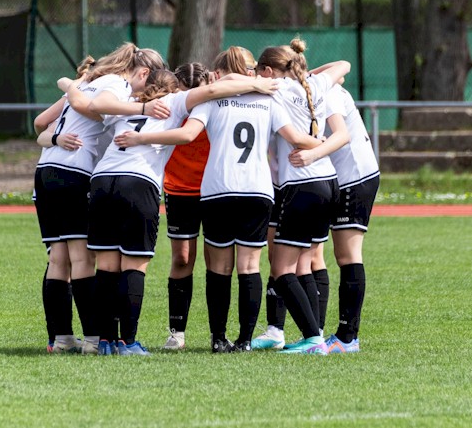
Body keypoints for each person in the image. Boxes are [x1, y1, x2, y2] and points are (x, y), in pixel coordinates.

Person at [64, 65, 278, 356]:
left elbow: (89, 104)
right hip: (138, 182)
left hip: (102, 181)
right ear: (173, 87)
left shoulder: (125, 105)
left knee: (107, 265)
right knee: (133, 265)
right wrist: (259, 84)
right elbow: (214, 89)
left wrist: (70, 82)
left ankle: (105, 341)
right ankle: (128, 343)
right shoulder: (175, 102)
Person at [116, 54, 321, 353]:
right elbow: (296, 138)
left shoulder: (211, 101)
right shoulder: (269, 100)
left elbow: (187, 134)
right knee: (249, 266)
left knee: (220, 268)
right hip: (257, 189)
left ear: (221, 73)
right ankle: (245, 341)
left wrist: (141, 138)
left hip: (218, 189)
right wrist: (325, 145)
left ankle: (218, 338)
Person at [31, 43, 168, 354]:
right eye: (150, 82)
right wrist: (143, 109)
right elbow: (89, 107)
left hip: (46, 169)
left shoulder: (90, 82)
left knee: (58, 258)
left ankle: (61, 338)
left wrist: (68, 88)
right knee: (81, 258)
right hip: (74, 171)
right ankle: (94, 339)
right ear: (142, 72)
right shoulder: (116, 85)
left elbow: (41, 123)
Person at [250, 37, 351, 354]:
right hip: (328, 182)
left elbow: (294, 137)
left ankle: (312, 339)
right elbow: (343, 66)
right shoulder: (316, 84)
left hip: (302, 186)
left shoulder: (276, 92)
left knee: (281, 270)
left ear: (268, 71)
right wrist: (305, 74)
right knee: (305, 262)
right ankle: (314, 334)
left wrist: (312, 147)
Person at [161, 47, 258, 351]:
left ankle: (223, 334)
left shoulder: (215, 102)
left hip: (216, 187)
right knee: (182, 258)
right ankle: (177, 332)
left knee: (219, 262)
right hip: (179, 188)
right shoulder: (172, 106)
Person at [288, 83, 380, 353]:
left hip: (355, 176)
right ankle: (341, 335)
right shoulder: (317, 85)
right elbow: (342, 65)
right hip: (347, 177)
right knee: (339, 255)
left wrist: (312, 155)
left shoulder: (324, 92)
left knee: (348, 255)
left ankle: (348, 337)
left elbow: (342, 136)